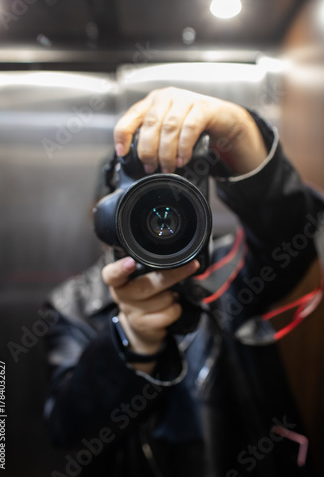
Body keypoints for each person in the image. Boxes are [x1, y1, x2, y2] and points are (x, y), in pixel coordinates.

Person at [43, 87, 323, 477]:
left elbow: (291, 239)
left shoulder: (227, 270)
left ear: (195, 206)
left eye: (169, 202)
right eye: (136, 206)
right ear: (106, 220)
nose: (157, 224)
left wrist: (240, 134)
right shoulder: (70, 305)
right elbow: (67, 426)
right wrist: (131, 340)